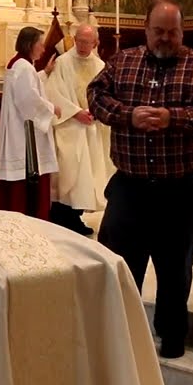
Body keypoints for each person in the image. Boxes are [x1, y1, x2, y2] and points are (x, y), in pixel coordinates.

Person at [88, 0, 193, 359]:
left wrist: (173, 118)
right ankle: (122, 337)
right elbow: (95, 96)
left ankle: (172, 335)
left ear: (182, 30)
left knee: (175, 266)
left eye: (173, 31)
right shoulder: (123, 61)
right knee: (120, 264)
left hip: (179, 188)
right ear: (146, 29)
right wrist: (127, 115)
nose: (166, 38)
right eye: (159, 31)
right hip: (130, 187)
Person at [46, 23, 112, 235]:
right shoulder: (63, 63)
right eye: (80, 41)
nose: (83, 46)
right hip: (70, 126)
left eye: (88, 42)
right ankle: (63, 215)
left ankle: (75, 216)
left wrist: (95, 111)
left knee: (89, 175)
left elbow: (105, 94)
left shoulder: (100, 65)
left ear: (96, 43)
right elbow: (54, 92)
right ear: (74, 40)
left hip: (91, 127)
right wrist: (76, 112)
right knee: (69, 172)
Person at [0, 27, 60, 219]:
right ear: (30, 44)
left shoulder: (20, 64)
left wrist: (44, 72)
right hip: (23, 135)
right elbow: (27, 100)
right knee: (26, 184)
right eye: (40, 43)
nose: (42, 48)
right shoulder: (23, 67)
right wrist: (51, 108)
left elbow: (26, 86)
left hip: (18, 129)